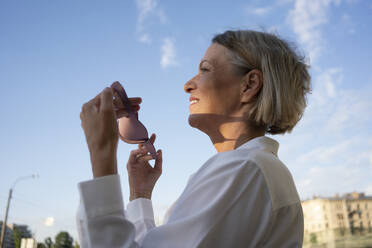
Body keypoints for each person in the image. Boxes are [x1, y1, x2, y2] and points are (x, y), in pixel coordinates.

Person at [78, 30, 311, 247]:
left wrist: (102, 154)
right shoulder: (252, 169)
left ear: (249, 85)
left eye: (205, 69)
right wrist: (140, 195)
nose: (188, 85)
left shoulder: (244, 169)